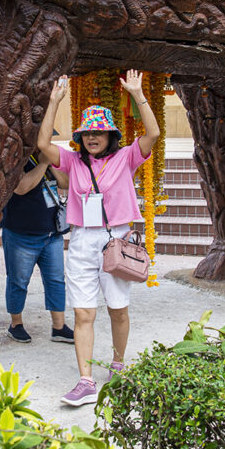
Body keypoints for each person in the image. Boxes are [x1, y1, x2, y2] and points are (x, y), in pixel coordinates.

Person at [37, 70, 161, 407]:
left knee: (118, 310)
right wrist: (54, 101)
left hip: (115, 240)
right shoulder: (73, 161)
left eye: (99, 132)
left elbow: (153, 133)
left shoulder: (126, 158)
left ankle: (118, 365)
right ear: (80, 136)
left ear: (110, 135)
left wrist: (137, 94)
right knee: (83, 314)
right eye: (87, 132)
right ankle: (86, 380)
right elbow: (43, 144)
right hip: (81, 241)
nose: (92, 137)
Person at [1, 149, 74, 344]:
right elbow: (21, 187)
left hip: (51, 234)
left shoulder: (49, 154)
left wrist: (49, 161)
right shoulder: (15, 156)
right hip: (20, 234)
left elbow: (66, 183)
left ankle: (59, 327)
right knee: (18, 281)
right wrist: (42, 163)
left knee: (56, 280)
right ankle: (16, 324)